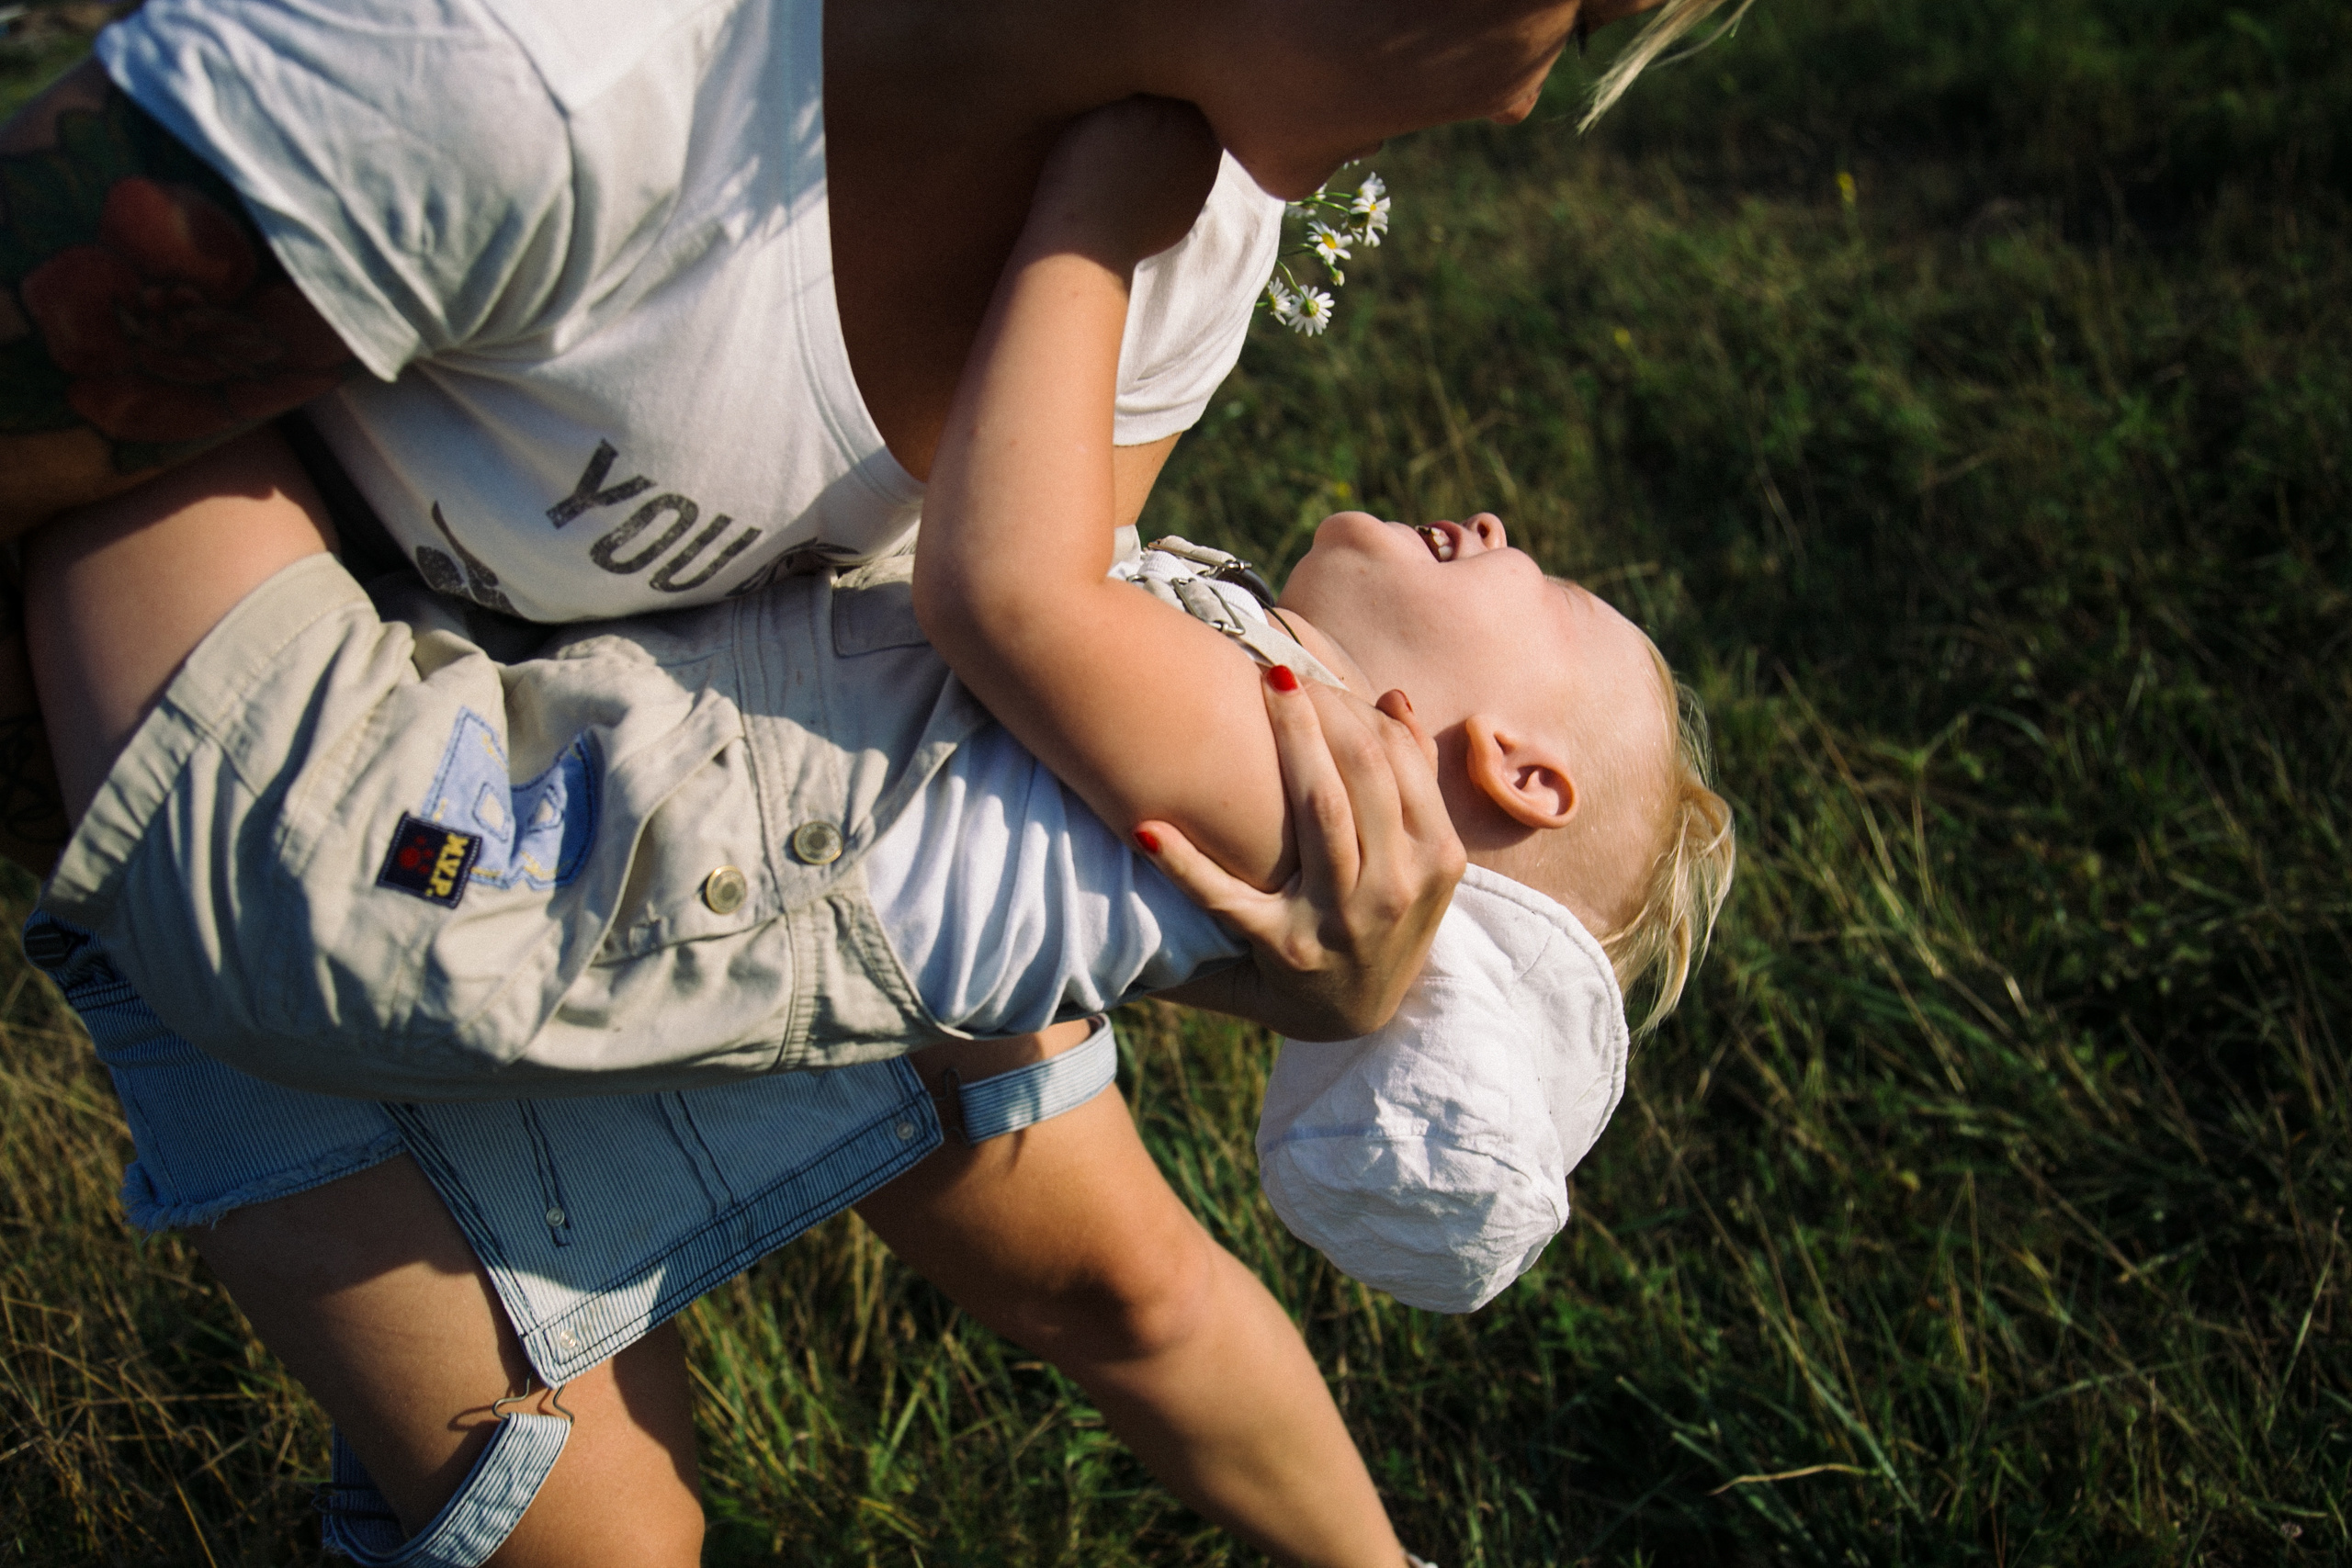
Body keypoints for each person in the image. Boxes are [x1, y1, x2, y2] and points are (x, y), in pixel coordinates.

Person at [0, 0, 1747, 1562]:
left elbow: (1011, 587)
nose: (1530, 100)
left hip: (442, 845)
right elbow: (1003, 601)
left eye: (1549, 586)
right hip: (532, 853)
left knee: (141, 551)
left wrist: (1095, 226)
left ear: (1511, 775)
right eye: (1574, 14)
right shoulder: (540, 72)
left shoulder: (1285, 751)